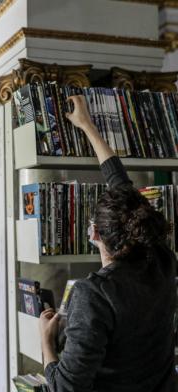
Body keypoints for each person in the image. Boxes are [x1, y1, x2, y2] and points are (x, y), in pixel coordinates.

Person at [39, 95, 177, 392]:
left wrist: (46, 344)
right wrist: (87, 125)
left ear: (95, 236)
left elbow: (65, 388)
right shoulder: (161, 260)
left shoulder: (94, 295)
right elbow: (121, 185)